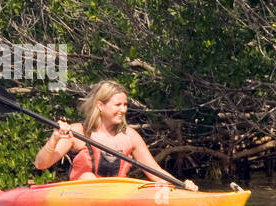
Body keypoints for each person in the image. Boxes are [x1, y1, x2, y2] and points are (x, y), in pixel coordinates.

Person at [33, 80, 198, 190]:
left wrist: (181, 186)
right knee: (87, 177)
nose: (123, 110)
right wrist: (54, 139)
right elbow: (41, 164)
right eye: (118, 104)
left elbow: (155, 171)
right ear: (100, 106)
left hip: (118, 198)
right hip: (79, 198)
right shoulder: (77, 132)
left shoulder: (130, 137)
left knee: (161, 184)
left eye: (125, 105)